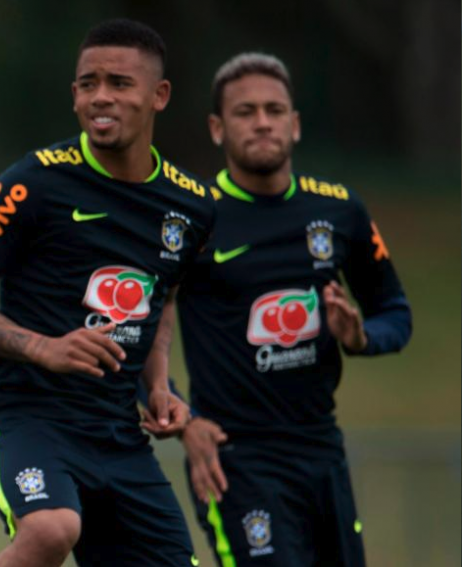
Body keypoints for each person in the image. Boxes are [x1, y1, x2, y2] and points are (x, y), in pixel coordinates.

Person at [0, 19, 214, 567]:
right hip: (27, 419)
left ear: (159, 96)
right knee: (50, 529)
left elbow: (164, 298)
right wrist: (45, 347)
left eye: (119, 83)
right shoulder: (34, 183)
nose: (100, 96)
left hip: (119, 435)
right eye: (88, 83)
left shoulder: (194, 207)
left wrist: (158, 387)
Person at [172, 53, 412, 567]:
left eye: (275, 110)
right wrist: (184, 420)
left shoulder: (340, 210)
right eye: (245, 111)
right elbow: (135, 334)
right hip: (236, 460)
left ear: (295, 124)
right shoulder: (194, 219)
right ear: (217, 128)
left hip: (322, 450)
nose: (262, 122)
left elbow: (395, 311)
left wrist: (360, 337)